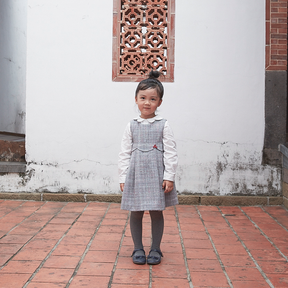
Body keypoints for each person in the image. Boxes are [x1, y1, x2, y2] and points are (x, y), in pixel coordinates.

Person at [118, 70, 178, 265]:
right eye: (143, 98)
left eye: (152, 99)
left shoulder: (163, 125)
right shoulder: (131, 125)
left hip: (156, 176)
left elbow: (170, 152)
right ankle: (137, 248)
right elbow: (124, 153)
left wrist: (169, 176)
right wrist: (122, 177)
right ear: (136, 99)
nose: (147, 102)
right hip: (135, 176)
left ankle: (155, 249)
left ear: (159, 102)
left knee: (155, 211)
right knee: (135, 211)